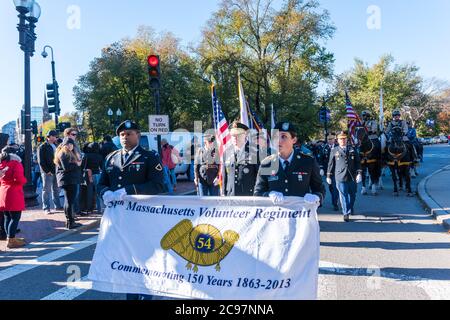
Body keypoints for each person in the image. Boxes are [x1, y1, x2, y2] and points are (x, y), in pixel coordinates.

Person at [97, 120, 165, 301]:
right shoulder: (111, 158)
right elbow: (101, 183)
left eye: (129, 134)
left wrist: (128, 190)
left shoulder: (149, 156)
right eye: (122, 135)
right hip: (120, 220)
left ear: (138, 136)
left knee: (145, 258)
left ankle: (147, 293)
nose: (125, 137)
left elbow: (158, 185)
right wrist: (105, 192)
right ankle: (131, 294)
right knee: (126, 258)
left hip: (142, 219)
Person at [254, 122, 325, 206]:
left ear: (294, 140)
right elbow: (258, 193)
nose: (278, 141)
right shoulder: (266, 163)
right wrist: (268, 194)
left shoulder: (308, 162)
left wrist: (317, 197)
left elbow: (319, 189)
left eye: (283, 136)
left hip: (300, 214)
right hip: (275, 215)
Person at [327, 132, 363, 222]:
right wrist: (328, 175)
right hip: (340, 176)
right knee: (343, 195)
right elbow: (331, 164)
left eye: (344, 139)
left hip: (352, 176)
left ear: (347, 140)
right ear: (338, 140)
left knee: (353, 194)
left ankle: (350, 207)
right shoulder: (334, 150)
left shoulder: (352, 149)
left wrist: (359, 173)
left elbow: (358, 162)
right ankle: (346, 213)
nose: (343, 140)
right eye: (341, 139)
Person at [0, 146, 28, 249]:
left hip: (3, 191)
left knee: (7, 217)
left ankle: (9, 238)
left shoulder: (1, 164)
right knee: (15, 217)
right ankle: (11, 240)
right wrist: (25, 181)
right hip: (13, 192)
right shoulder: (16, 163)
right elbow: (19, 178)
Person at [223, 121, 259, 196]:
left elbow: (259, 177)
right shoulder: (227, 152)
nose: (235, 138)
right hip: (231, 195)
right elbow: (225, 176)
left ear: (245, 134)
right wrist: (224, 194)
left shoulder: (255, 152)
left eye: (238, 135)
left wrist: (257, 195)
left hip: (248, 195)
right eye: (233, 135)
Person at [54, 138, 83, 230]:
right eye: (68, 144)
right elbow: (66, 167)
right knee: (69, 201)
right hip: (68, 180)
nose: (70, 146)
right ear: (64, 145)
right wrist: (77, 164)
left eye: (71, 144)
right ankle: (70, 222)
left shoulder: (67, 152)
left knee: (69, 201)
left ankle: (70, 221)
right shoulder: (63, 153)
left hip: (69, 179)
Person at [37, 130, 63, 214]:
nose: (56, 138)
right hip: (47, 172)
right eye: (55, 136)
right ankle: (46, 208)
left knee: (56, 189)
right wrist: (47, 171)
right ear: (50, 136)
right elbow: (41, 161)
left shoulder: (56, 145)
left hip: (56, 171)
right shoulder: (42, 146)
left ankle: (58, 206)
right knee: (46, 190)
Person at [79, 143, 103, 215]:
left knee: (89, 192)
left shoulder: (86, 156)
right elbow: (102, 167)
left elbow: (82, 166)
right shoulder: (99, 156)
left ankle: (89, 208)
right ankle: (100, 208)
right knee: (98, 192)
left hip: (88, 175)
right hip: (97, 175)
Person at [319, 134, 339, 211]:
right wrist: (321, 168)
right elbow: (321, 158)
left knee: (335, 187)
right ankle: (335, 198)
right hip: (328, 171)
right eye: (329, 139)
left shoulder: (338, 147)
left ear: (334, 139)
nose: (330, 141)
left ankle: (335, 203)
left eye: (331, 139)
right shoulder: (324, 148)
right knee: (331, 187)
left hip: (337, 170)